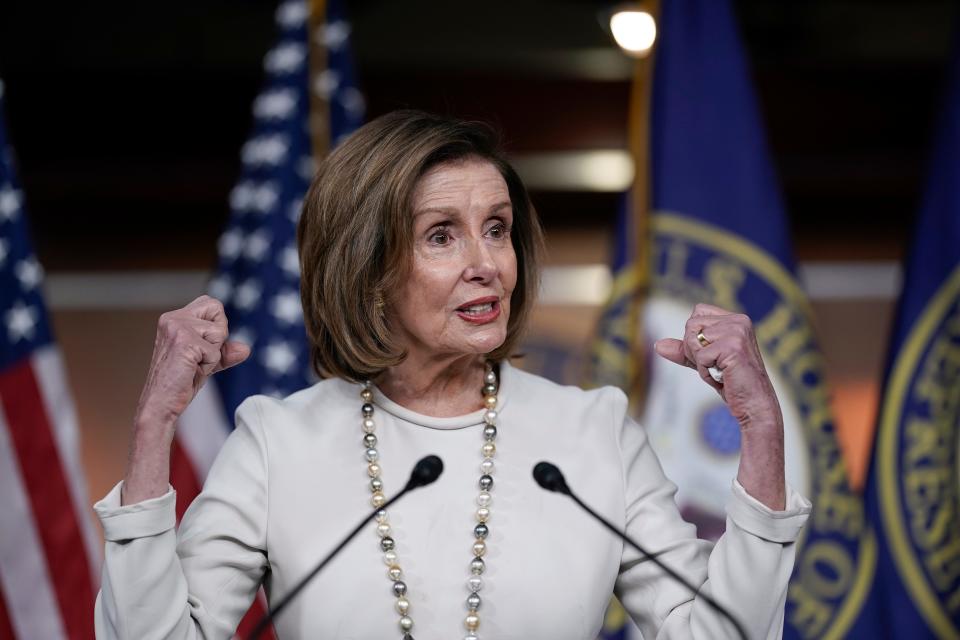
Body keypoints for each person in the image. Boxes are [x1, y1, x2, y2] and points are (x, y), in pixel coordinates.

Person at [94, 110, 810, 640]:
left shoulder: (592, 435)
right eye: (442, 234)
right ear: (368, 268)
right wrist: (153, 425)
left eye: (496, 228)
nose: (487, 263)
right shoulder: (278, 443)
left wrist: (762, 430)